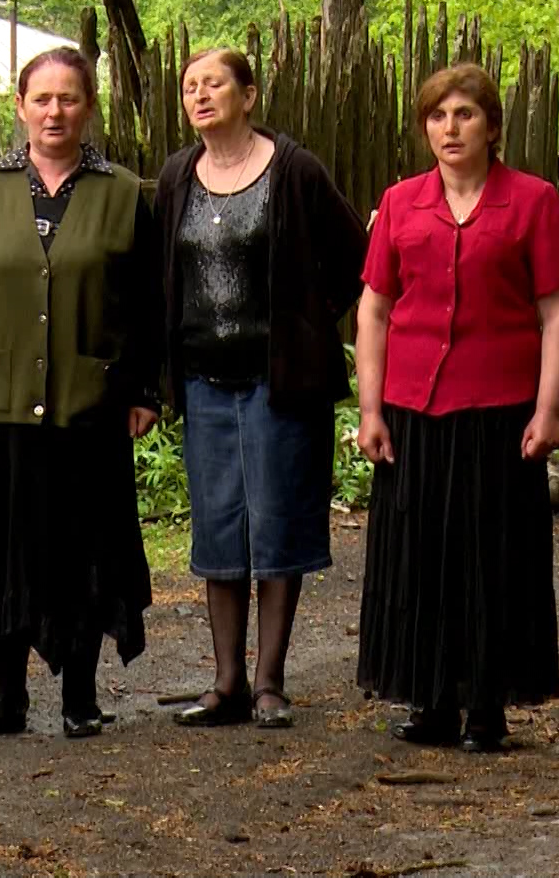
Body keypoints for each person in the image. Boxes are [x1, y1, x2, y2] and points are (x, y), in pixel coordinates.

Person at [0, 48, 162, 739]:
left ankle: (79, 694)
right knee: (1, 545)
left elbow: (146, 304)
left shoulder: (122, 192)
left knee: (81, 545)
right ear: (21, 107)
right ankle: (6, 691)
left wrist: (145, 389)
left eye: (69, 98)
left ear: (88, 107)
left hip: (88, 404)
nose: (54, 112)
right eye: (42, 99)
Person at [354, 63, 559, 753]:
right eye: (437, 116)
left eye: (465, 115)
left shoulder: (534, 201)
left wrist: (549, 409)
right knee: (419, 557)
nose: (450, 128)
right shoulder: (400, 203)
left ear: (492, 126)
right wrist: (370, 410)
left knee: (492, 559)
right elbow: (374, 309)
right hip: (413, 409)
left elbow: (558, 311)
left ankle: (486, 705)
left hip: (500, 410)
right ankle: (431, 701)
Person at [156, 49, 368, 729]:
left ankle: (270, 683)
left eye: (214, 83)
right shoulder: (177, 177)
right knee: (219, 528)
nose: (200, 95)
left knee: (277, 524)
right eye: (190, 87)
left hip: (280, 385)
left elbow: (356, 259)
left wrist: (309, 323)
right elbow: (160, 275)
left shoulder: (294, 170)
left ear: (248, 94)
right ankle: (227, 683)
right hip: (203, 383)